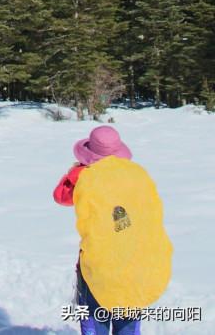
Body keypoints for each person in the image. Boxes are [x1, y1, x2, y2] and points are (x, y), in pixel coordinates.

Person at [53, 125, 172, 335]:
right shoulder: (136, 175)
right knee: (127, 318)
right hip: (135, 261)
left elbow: (61, 196)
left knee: (94, 318)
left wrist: (77, 170)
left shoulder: (84, 176)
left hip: (97, 266)